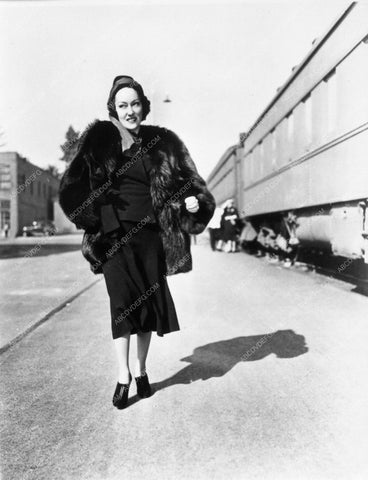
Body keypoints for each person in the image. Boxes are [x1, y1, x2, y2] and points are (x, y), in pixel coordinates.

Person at [58, 75, 216, 409]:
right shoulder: (99, 139)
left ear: (144, 106)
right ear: (113, 108)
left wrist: (191, 201)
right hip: (113, 236)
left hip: (151, 237)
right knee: (121, 305)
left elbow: (189, 183)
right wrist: (94, 217)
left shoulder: (163, 141)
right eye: (123, 105)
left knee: (148, 306)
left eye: (135, 104)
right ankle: (122, 375)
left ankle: (142, 370)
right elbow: (72, 187)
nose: (130, 111)